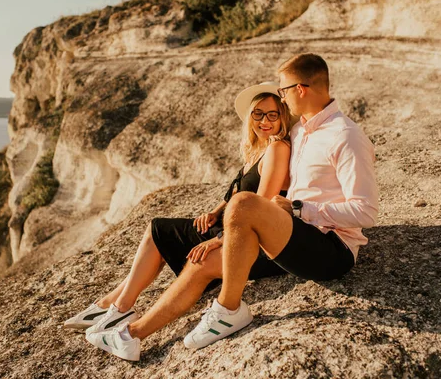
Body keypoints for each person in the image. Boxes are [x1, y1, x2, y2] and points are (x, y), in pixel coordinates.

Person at [68, 84, 293, 361]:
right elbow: (237, 192)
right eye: (258, 114)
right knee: (159, 232)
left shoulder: (278, 149)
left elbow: (260, 204)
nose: (264, 122)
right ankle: (116, 305)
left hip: (247, 237)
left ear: (283, 117)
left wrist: (218, 239)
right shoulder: (259, 149)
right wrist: (214, 212)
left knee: (161, 233)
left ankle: (119, 309)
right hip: (229, 226)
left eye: (272, 115)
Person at [180, 53, 379, 349]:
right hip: (299, 230)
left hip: (333, 250)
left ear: (301, 89)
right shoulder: (300, 131)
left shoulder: (346, 136)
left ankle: (228, 310)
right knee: (216, 244)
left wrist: (299, 208)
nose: (281, 99)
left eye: (283, 91)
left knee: (244, 205)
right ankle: (134, 330)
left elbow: (366, 212)